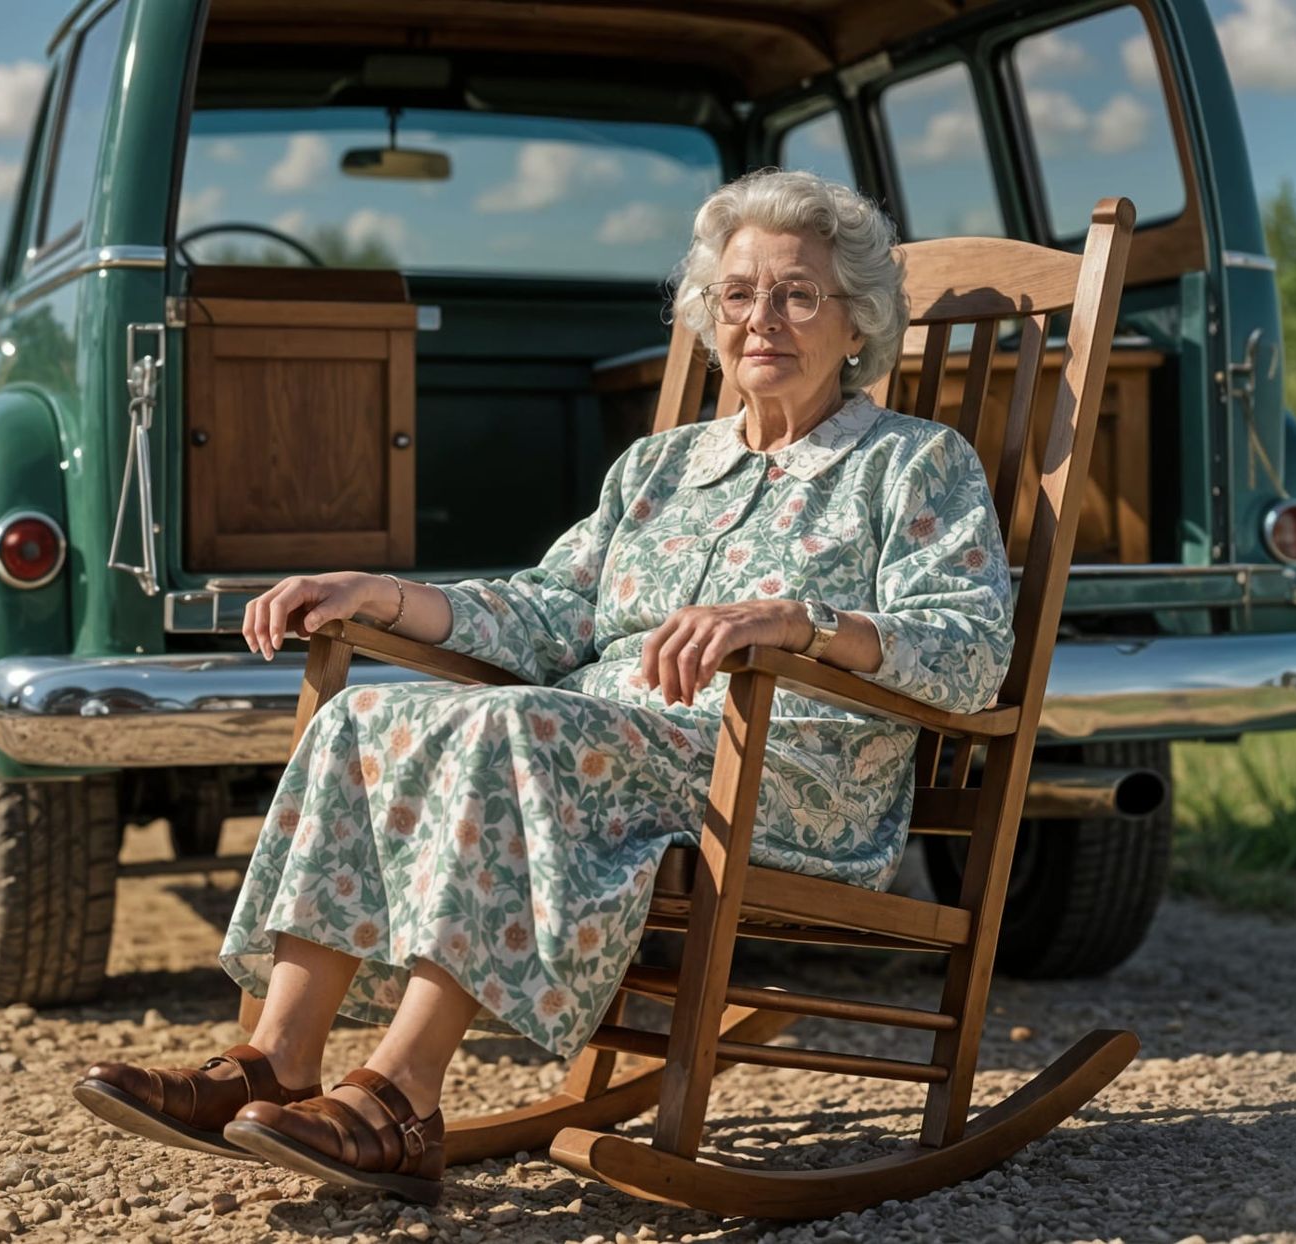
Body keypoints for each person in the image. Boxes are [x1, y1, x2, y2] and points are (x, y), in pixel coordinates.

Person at [73, 168, 1014, 1203]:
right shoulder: (659, 469)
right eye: (738, 293)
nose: (762, 319)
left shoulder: (915, 464)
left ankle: (402, 1095)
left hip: (788, 772)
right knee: (364, 713)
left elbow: (971, 651)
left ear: (857, 321)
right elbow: (550, 612)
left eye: (797, 294)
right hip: (613, 745)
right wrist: (381, 594)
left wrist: (797, 620)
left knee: (517, 725)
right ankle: (277, 1058)